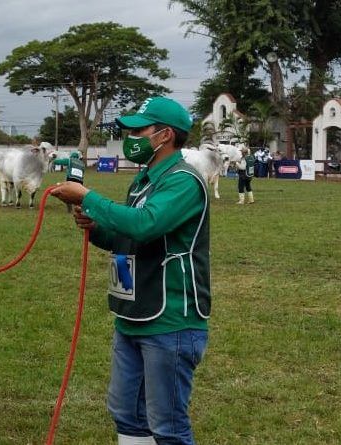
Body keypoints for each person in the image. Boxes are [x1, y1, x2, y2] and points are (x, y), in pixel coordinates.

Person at [50, 96, 210, 445]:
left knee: (168, 427)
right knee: (127, 414)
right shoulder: (142, 182)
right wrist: (95, 228)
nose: (131, 138)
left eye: (139, 131)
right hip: (133, 314)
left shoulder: (184, 180)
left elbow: (145, 224)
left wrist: (88, 197)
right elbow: (128, 238)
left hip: (170, 320)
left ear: (165, 135)